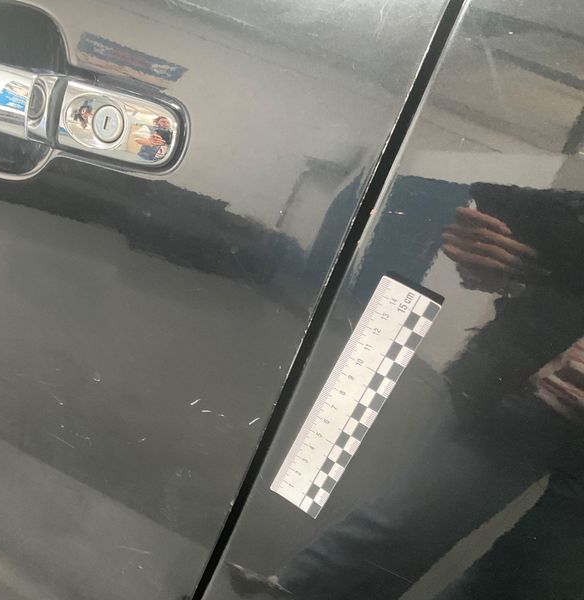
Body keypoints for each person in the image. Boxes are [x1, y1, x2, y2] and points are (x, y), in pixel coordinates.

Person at [230, 183, 584, 599]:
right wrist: (499, 262)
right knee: (411, 521)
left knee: (533, 577)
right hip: (531, 390)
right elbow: (525, 261)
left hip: (532, 386)